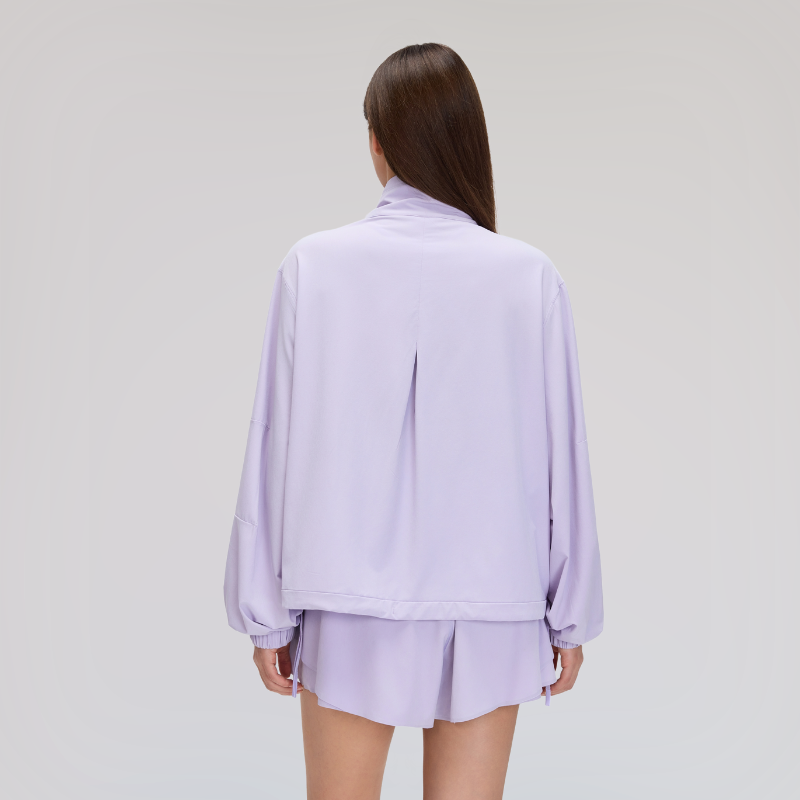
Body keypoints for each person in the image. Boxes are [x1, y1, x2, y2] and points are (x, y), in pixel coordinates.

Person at [223, 42, 603, 800]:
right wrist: (570, 616)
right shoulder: (529, 276)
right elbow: (566, 456)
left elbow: (273, 447)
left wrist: (267, 617)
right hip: (493, 604)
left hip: (346, 600)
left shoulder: (312, 266)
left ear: (377, 141)